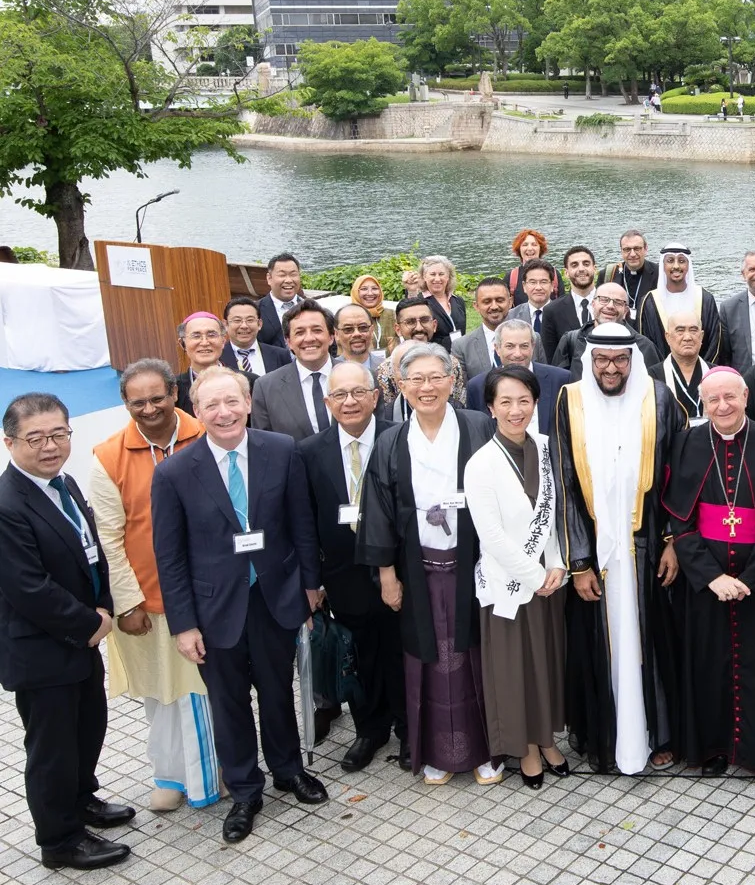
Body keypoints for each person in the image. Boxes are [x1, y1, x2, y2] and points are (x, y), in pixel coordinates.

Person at [151, 368, 328, 842]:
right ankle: (246, 790)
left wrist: (311, 585)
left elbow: (301, 523)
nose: (223, 413)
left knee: (277, 692)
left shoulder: (282, 450)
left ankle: (289, 770)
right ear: (197, 412)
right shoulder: (173, 473)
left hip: (274, 597)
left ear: (248, 402)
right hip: (214, 610)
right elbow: (169, 557)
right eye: (211, 405)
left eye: (232, 401)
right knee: (228, 703)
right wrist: (183, 624)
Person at [353, 344, 501, 787]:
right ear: (399, 385)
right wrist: (386, 575)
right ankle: (435, 752)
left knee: (477, 656)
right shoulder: (391, 441)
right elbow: (377, 511)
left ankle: (487, 749)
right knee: (429, 659)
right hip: (419, 569)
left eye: (436, 376)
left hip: (475, 563)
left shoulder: (478, 426)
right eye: (415, 379)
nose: (426, 387)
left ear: (453, 380)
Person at [1, 393, 134, 870]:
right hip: (42, 650)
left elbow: (89, 551)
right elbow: (28, 588)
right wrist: (92, 622)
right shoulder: (8, 503)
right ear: (10, 441)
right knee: (51, 750)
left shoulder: (64, 483)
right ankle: (59, 841)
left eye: (59, 434)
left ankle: (82, 800)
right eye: (35, 438)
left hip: (81, 639)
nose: (50, 446)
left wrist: (104, 605)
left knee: (87, 728)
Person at [662, 367, 755, 776]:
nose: (723, 406)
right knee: (708, 662)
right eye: (713, 400)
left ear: (745, 395)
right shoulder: (688, 442)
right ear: (703, 403)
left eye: (730, 397)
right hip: (707, 579)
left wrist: (749, 580)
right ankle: (711, 749)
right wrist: (712, 576)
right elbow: (680, 521)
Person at [550, 323, 682, 774]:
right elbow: (565, 484)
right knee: (598, 645)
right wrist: (579, 561)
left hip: (647, 548)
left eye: (620, 360)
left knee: (653, 642)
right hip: (598, 555)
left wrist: (671, 542)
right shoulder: (570, 401)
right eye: (602, 359)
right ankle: (604, 739)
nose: (611, 368)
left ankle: (656, 734)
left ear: (632, 360)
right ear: (590, 360)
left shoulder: (659, 399)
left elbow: (674, 478)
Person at [89, 361, 221, 812]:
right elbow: (108, 536)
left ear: (174, 393)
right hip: (147, 600)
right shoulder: (108, 456)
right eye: (136, 401)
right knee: (161, 694)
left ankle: (215, 771)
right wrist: (127, 603)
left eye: (157, 397)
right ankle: (170, 775)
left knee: (208, 688)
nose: (149, 408)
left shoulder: (208, 433)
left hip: (209, 591)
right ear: (125, 404)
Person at [464, 365, 570, 790]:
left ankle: (547, 739)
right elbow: (489, 535)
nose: (515, 410)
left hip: (549, 582)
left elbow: (557, 514)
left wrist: (557, 564)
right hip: (510, 584)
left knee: (546, 664)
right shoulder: (481, 463)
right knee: (514, 669)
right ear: (490, 408)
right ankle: (525, 747)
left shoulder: (547, 448)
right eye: (505, 402)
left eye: (523, 400)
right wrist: (534, 574)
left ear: (535, 402)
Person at [298, 362, 406, 773]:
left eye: (358, 392)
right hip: (343, 576)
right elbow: (305, 523)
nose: (350, 402)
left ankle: (409, 728)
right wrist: (312, 581)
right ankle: (370, 730)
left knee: (400, 651)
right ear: (328, 402)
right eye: (340, 395)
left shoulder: (401, 441)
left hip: (398, 571)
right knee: (359, 656)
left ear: (376, 397)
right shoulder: (309, 452)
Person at [250, 300, 338, 442]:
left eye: (317, 330)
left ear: (331, 337)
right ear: (288, 341)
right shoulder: (266, 388)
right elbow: (263, 445)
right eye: (299, 332)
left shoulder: (360, 376)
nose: (309, 338)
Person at [463, 320, 571, 434]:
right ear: (497, 348)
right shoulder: (478, 386)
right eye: (510, 346)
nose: (518, 353)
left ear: (533, 347)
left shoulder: (561, 379)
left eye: (524, 346)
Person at [550, 282, 662, 374]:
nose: (610, 306)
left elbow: (653, 390)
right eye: (604, 299)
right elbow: (558, 384)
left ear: (626, 311)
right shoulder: (572, 341)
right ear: (593, 304)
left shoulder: (644, 347)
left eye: (618, 302)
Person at [377, 300, 468, 413]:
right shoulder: (387, 369)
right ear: (398, 329)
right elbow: (387, 414)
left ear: (434, 325)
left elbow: (460, 405)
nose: (419, 328)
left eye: (425, 320)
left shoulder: (451, 363)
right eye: (410, 322)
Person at [177, 311, 250, 415]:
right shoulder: (173, 389)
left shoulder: (251, 382)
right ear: (182, 343)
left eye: (211, 335)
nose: (205, 342)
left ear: (223, 341)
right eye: (196, 336)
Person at [653, 309, 711, 425]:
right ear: (668, 337)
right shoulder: (651, 377)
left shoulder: (716, 374)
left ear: (702, 336)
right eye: (680, 331)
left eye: (693, 330)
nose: (687, 337)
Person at [453, 277, 514, 381]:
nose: (494, 306)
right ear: (476, 306)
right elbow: (461, 389)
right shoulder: (462, 346)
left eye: (500, 300)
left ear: (510, 302)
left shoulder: (531, 338)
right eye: (487, 302)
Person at [220, 296, 291, 375]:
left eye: (250, 320)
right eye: (237, 320)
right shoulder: (218, 357)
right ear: (225, 324)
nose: (244, 326)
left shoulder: (281, 355)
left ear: (259, 324)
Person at [603, 230, 656, 325]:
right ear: (621, 251)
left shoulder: (659, 274)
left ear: (646, 249)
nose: (632, 254)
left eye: (637, 249)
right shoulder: (609, 274)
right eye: (627, 249)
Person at [256, 253, 307, 349]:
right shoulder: (256, 311)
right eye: (282, 275)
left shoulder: (312, 308)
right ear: (269, 278)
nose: (288, 280)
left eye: (293, 274)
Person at [419, 256, 467, 348]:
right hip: (434, 355)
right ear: (424, 277)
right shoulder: (420, 302)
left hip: (459, 354)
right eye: (432, 274)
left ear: (448, 276)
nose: (437, 279)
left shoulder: (458, 301)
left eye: (441, 274)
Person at [507, 229, 564, 305]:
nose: (530, 248)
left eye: (534, 244)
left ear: (540, 248)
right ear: (519, 249)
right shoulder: (511, 277)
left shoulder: (554, 274)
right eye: (525, 245)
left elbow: (562, 304)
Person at [347, 275, 396, 352]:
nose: (370, 293)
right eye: (364, 289)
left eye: (374, 288)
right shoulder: (347, 317)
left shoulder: (390, 314)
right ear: (356, 292)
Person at [335, 303, 385, 374]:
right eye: (348, 329)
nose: (357, 334)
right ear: (336, 334)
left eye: (363, 327)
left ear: (372, 330)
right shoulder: (331, 370)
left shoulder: (387, 368)